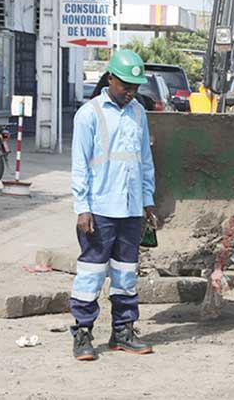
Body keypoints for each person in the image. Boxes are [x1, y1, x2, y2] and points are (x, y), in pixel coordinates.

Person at [68, 49, 160, 361]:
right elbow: (80, 165)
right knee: (91, 273)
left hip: (132, 209)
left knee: (126, 274)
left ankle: (122, 331)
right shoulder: (89, 114)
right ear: (110, 78)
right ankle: (82, 333)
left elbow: (145, 162)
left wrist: (148, 201)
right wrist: (82, 207)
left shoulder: (139, 113)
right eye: (126, 86)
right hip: (99, 210)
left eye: (135, 87)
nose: (131, 92)